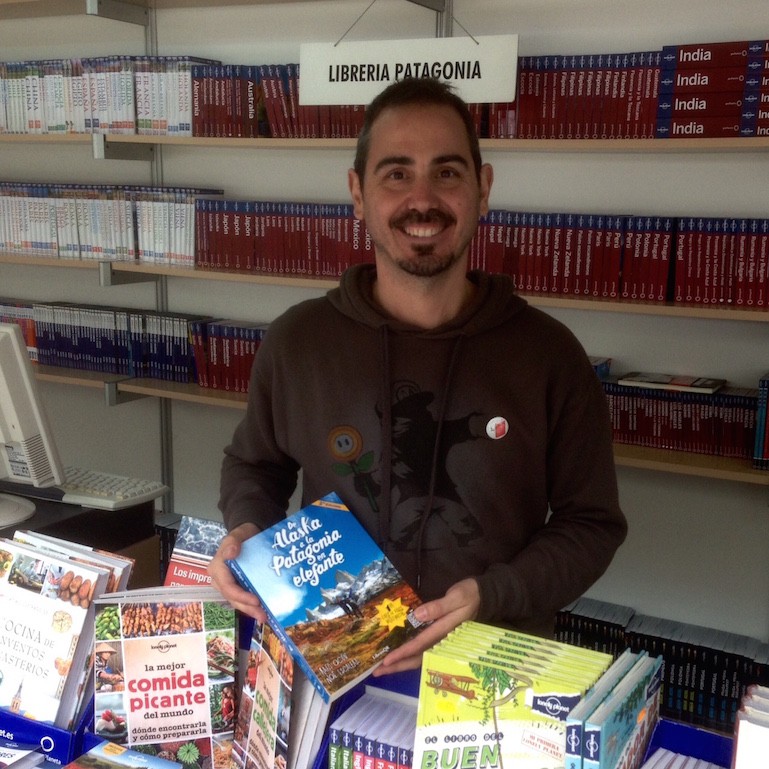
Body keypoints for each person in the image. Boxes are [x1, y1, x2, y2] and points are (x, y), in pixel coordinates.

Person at [208, 76, 627, 675]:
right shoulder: (298, 341)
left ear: (483, 189)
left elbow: (592, 526)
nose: (422, 199)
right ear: (358, 192)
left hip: (492, 668)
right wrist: (247, 531)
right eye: (396, 173)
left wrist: (492, 594)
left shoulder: (550, 355)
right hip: (335, 656)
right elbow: (256, 465)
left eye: (448, 173)